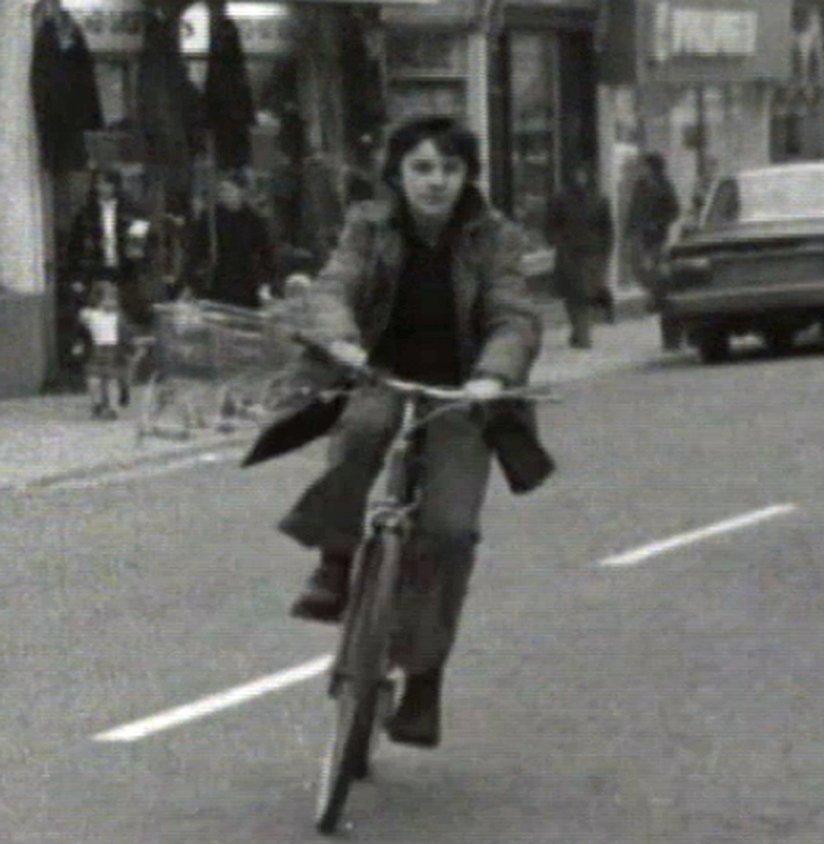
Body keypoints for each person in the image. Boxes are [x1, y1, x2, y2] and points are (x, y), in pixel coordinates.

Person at [280, 117, 543, 747]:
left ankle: (423, 681)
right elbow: (334, 285)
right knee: (360, 432)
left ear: (466, 176)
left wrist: (493, 374)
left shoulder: (495, 237)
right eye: (422, 168)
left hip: (462, 393)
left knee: (449, 531)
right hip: (378, 374)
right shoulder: (369, 227)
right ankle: (335, 560)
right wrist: (340, 339)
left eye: (450, 168)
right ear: (397, 174)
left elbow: (514, 315)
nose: (436, 181)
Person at [63, 169, 147, 384]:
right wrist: (76, 277)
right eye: (99, 184)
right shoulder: (85, 214)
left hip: (123, 272)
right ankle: (96, 367)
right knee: (96, 321)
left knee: (121, 321)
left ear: (116, 186)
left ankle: (122, 368)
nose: (103, 188)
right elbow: (74, 248)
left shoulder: (133, 211)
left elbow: (140, 245)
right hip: (95, 271)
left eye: (107, 184)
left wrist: (136, 261)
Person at [544, 165, 614, 349]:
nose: (580, 179)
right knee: (573, 294)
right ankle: (579, 331)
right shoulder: (560, 199)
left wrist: (605, 252)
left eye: (583, 175)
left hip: (590, 253)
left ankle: (583, 335)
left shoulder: (599, 199)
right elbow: (550, 225)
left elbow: (607, 229)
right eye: (577, 174)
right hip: (569, 253)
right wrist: (557, 242)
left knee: (585, 295)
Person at [185, 170, 277, 308]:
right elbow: (196, 250)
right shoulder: (211, 218)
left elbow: (266, 253)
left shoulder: (253, 219)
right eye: (221, 190)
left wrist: (266, 284)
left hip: (245, 281)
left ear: (241, 191)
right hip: (218, 279)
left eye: (228, 189)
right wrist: (190, 280)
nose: (223, 194)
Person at [625, 152, 683, 350]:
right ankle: (654, 298)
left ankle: (659, 304)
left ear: (653, 167)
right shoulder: (640, 186)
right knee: (642, 272)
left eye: (645, 166)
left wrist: (658, 224)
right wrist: (630, 230)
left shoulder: (664, 185)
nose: (642, 170)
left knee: (660, 278)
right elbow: (633, 209)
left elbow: (674, 210)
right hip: (641, 238)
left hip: (657, 239)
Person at [77, 281, 129, 420]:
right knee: (94, 380)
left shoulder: (118, 316)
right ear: (98, 299)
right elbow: (82, 325)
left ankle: (113, 408)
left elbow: (125, 332)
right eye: (108, 298)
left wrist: (128, 348)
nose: (112, 302)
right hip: (97, 349)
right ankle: (97, 405)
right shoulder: (90, 314)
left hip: (113, 349)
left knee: (112, 381)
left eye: (114, 298)